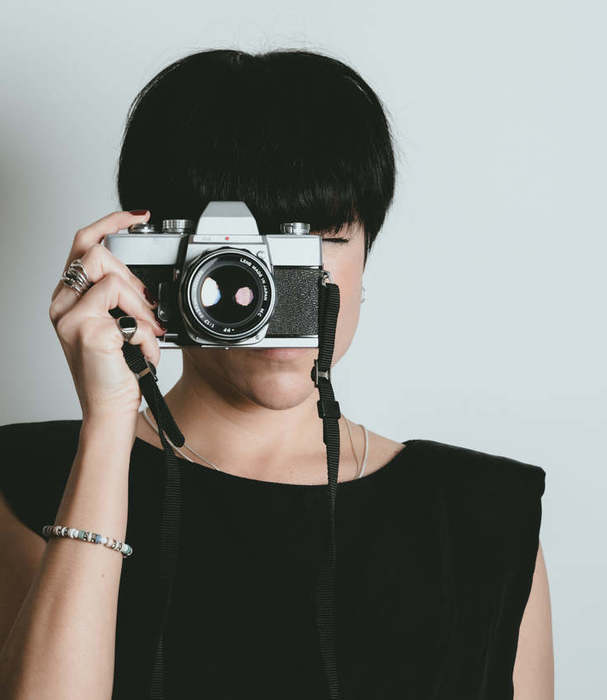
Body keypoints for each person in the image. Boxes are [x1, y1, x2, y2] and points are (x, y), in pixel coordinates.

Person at [0, 48, 553, 699]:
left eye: (315, 237)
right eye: (237, 254)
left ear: (364, 261)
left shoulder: (478, 512)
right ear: (157, 264)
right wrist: (108, 425)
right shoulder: (28, 480)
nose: (261, 286)